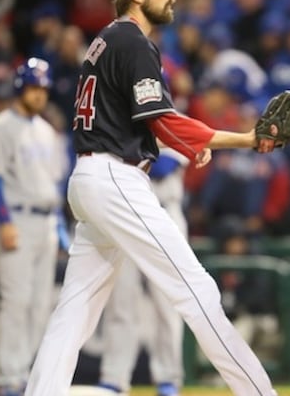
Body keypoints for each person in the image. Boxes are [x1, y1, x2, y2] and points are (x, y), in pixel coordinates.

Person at [23, 0, 290, 395]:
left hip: (93, 176)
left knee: (75, 308)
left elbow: (129, 120)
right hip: (115, 180)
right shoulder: (133, 41)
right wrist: (246, 138)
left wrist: (180, 145)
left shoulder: (106, 40)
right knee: (196, 289)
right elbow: (163, 119)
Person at [0, 57, 69, 396]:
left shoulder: (48, 132)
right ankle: (7, 377)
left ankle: (27, 374)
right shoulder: (0, 127)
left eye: (43, 88)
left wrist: (59, 227)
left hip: (44, 222)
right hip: (14, 219)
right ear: (20, 88)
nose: (39, 94)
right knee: (14, 301)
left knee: (40, 302)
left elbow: (55, 185)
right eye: (33, 87)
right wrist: (3, 220)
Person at [97, 148, 189, 396]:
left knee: (168, 303)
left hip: (164, 214)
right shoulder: (121, 123)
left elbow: (161, 168)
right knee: (121, 302)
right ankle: (114, 377)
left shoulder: (172, 120)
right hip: (125, 213)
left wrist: (129, 159)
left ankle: (168, 378)